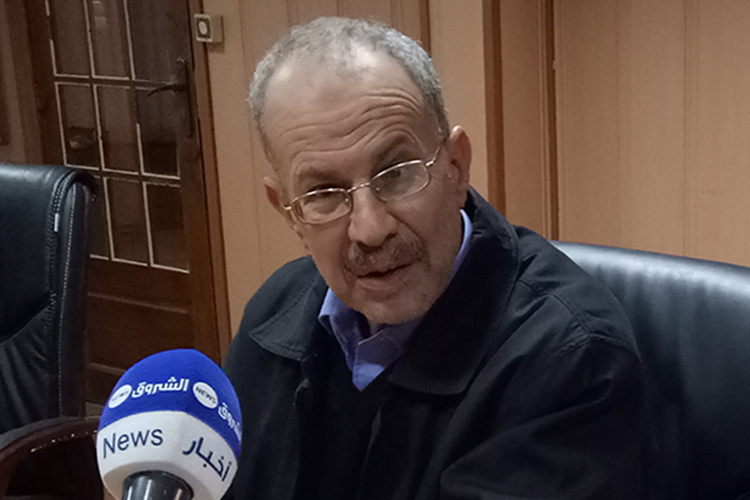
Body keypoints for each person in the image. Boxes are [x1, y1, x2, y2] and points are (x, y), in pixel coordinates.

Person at [223, 16, 655, 500]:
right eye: (324, 193)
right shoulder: (273, 311)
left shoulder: (569, 359)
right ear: (288, 212)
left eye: (396, 173)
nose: (370, 228)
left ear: (456, 167)